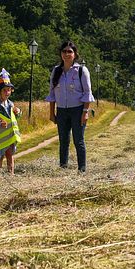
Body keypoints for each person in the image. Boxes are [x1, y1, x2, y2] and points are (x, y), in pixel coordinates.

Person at [46, 41, 94, 172]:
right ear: (61, 54)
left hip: (77, 110)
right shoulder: (56, 71)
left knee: (78, 140)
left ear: (75, 54)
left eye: (70, 52)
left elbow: (87, 92)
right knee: (63, 141)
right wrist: (52, 113)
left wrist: (85, 112)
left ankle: (82, 169)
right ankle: (63, 168)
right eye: (64, 51)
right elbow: (52, 93)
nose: (67, 54)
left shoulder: (81, 71)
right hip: (61, 110)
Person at [0, 68, 21, 173]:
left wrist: (18, 112)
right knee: (0, 155)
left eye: (9, 90)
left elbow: (15, 118)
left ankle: (11, 173)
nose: (7, 92)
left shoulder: (11, 104)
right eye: (5, 90)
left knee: (10, 155)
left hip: (11, 135)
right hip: (1, 136)